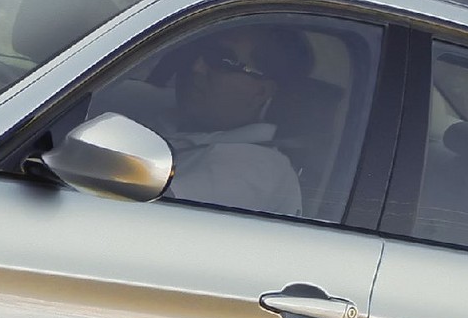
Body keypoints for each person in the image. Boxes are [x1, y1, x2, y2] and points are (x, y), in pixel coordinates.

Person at [96, 22, 309, 216]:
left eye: (221, 60)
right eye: (199, 53)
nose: (196, 68)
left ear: (261, 92)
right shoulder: (170, 117)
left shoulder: (255, 167)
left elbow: (146, 216)